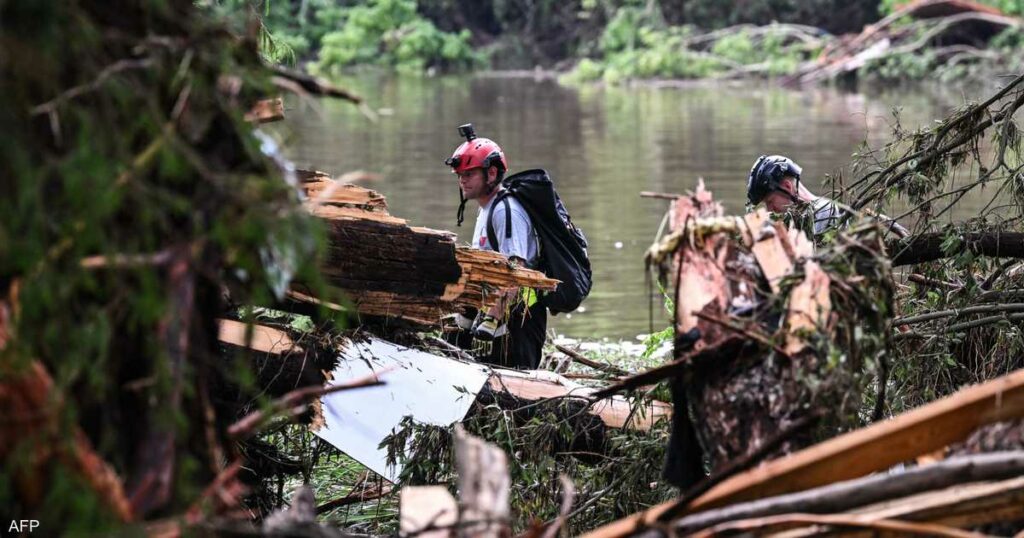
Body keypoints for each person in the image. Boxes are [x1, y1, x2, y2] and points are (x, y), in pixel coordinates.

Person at [444, 125, 547, 370]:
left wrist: (492, 318)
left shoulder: (505, 211)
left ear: (491, 173)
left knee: (515, 386)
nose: (462, 179)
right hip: (498, 315)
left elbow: (515, 270)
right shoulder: (487, 209)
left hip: (519, 318)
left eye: (469, 173)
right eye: (460, 174)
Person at [746, 154, 908, 238]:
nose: (769, 210)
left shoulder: (823, 212)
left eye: (770, 201)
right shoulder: (796, 219)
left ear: (788, 188)